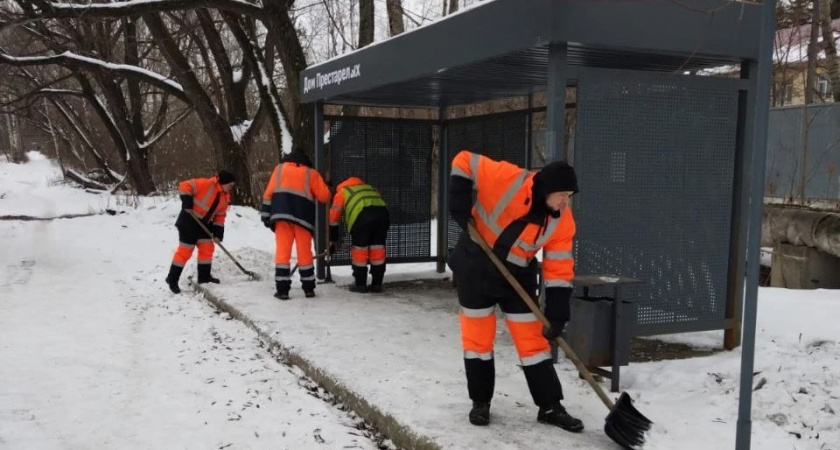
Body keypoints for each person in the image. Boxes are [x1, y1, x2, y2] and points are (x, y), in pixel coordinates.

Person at [447, 150, 583, 432]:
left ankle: (550, 407)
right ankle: (480, 402)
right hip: (476, 262)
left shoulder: (562, 220)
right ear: (546, 189)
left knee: (533, 342)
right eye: (562, 195)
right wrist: (459, 201)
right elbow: (464, 160)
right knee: (478, 341)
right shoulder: (506, 177)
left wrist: (557, 312)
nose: (564, 202)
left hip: (517, 276)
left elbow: (559, 267)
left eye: (569, 196)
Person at [261, 149, 331, 300]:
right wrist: (327, 186)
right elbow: (324, 196)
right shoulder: (311, 173)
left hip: (281, 216)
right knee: (304, 253)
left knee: (283, 253)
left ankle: (282, 290)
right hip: (303, 219)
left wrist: (266, 214)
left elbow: (268, 193)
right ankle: (308, 288)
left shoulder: (279, 169)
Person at [165, 170, 236, 294]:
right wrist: (187, 200)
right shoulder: (205, 184)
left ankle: (204, 277)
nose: (231, 187)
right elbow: (184, 185)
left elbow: (220, 215)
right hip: (189, 221)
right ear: (223, 182)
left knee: (207, 249)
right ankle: (172, 279)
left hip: (204, 225)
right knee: (185, 252)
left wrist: (218, 233)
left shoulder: (225, 197)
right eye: (230, 185)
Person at [329, 177, 390, 293]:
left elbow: (333, 218)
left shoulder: (342, 192)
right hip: (382, 217)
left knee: (360, 252)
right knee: (377, 251)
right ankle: (377, 284)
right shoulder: (369, 188)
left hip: (362, 219)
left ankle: (360, 284)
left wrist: (333, 239)